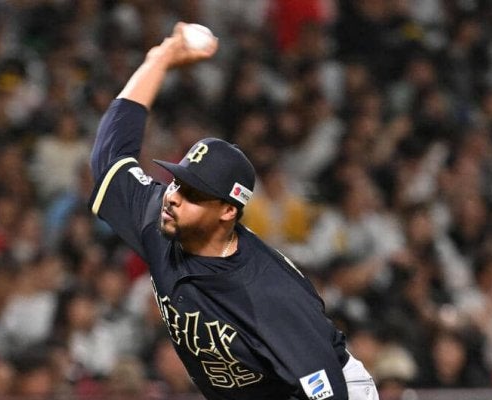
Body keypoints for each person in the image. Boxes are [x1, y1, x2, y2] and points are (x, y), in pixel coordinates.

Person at [88, 22, 378, 400]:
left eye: (192, 193)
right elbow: (110, 155)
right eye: (176, 182)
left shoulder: (266, 291)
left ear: (227, 211)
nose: (173, 196)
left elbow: (326, 391)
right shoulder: (158, 220)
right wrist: (158, 60)